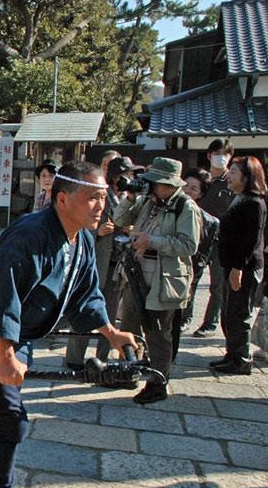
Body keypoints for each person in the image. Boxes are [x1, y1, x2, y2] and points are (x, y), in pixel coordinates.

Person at [0, 161, 137, 488]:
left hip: (20, 338)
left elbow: (86, 293)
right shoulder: (29, 235)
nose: (101, 206)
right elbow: (2, 299)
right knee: (11, 422)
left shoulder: (81, 236)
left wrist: (110, 332)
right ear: (63, 199)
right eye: (93, 198)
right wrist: (5, 357)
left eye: (104, 198)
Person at [112, 157, 201, 403]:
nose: (152, 187)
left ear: (171, 185)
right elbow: (119, 220)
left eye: (157, 183)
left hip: (165, 280)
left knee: (158, 334)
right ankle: (127, 370)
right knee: (128, 325)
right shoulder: (148, 202)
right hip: (136, 274)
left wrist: (151, 241)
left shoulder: (185, 207)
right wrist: (129, 197)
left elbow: (189, 245)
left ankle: (157, 383)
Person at [66, 156, 142, 368]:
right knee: (84, 308)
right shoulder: (98, 195)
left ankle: (103, 357)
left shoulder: (130, 200)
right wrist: (96, 232)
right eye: (126, 175)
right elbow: (76, 224)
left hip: (117, 264)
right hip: (97, 259)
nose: (129, 179)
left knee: (108, 313)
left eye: (131, 175)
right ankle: (73, 359)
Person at [211, 156, 267, 374]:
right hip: (233, 264)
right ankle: (232, 354)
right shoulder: (239, 198)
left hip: (244, 267)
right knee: (229, 312)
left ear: (247, 176)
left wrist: (238, 269)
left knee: (238, 313)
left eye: (233, 171)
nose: (229, 175)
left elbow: (250, 240)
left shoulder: (254, 203)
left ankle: (242, 359)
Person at [193, 138, 236, 337]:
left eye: (225, 154)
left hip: (222, 241)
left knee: (217, 285)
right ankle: (185, 318)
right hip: (199, 238)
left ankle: (209, 323)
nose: (221, 158)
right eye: (217, 153)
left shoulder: (233, 181)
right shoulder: (202, 179)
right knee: (191, 280)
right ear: (209, 155)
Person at [175, 168, 218, 339]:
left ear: (200, 194)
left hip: (191, 264)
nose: (187, 191)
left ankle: (187, 318)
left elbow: (202, 253)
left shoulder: (208, 220)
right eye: (186, 186)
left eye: (194, 189)